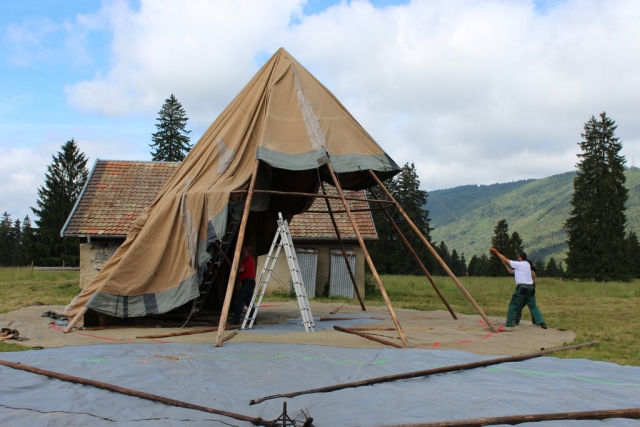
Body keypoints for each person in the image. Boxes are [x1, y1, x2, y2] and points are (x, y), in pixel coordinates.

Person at [491, 248, 547, 329]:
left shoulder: (519, 264)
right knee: (533, 306)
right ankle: (541, 322)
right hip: (531, 288)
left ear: (520, 258)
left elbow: (506, 260)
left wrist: (497, 253)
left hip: (522, 288)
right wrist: (506, 264)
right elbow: (511, 270)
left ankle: (509, 323)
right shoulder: (527, 265)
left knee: (513, 305)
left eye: (518, 257)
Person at [232, 245, 256, 325]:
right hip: (248, 282)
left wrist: (236, 268)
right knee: (249, 302)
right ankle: (252, 319)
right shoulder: (247, 259)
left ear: (246, 251)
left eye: (243, 251)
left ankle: (236, 319)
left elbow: (241, 269)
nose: (242, 252)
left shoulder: (248, 259)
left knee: (239, 300)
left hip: (248, 282)